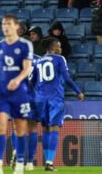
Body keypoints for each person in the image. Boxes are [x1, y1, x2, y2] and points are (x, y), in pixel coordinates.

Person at [31, 37, 84, 171]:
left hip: (40, 100)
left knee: (45, 130)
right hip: (55, 98)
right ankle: (49, 162)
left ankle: (47, 162)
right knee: (54, 128)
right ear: (52, 48)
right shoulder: (60, 59)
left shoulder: (38, 61)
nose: (60, 49)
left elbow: (32, 82)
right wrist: (78, 91)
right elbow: (66, 78)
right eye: (58, 46)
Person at [0, 14, 33, 174]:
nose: (5, 27)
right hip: (1, 93)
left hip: (19, 92)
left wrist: (18, 80)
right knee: (0, 126)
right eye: (3, 24)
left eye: (8, 24)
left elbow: (27, 68)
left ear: (16, 26)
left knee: (19, 129)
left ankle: (20, 164)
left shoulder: (25, 45)